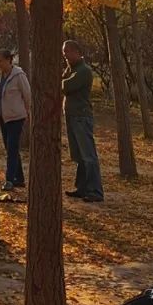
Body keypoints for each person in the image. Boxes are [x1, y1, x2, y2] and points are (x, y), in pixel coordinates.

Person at [63, 39, 103, 203]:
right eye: (64, 51)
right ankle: (82, 187)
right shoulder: (72, 69)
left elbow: (66, 85)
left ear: (77, 52)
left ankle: (95, 191)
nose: (65, 55)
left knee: (88, 155)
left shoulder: (83, 71)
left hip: (81, 116)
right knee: (79, 155)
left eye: (68, 51)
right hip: (72, 116)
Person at [0, 48, 31, 192]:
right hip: (3, 117)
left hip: (16, 117)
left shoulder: (19, 75)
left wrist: (27, 112)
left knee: (12, 148)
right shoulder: (1, 75)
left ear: (9, 60)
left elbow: (27, 95)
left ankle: (9, 180)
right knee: (10, 148)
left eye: (1, 61)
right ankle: (19, 178)